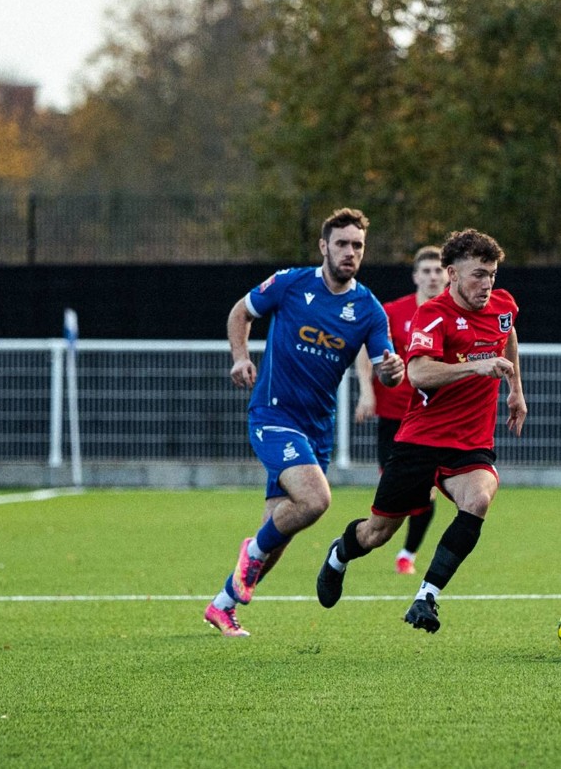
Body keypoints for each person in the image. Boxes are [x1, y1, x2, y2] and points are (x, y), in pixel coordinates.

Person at [204, 208, 405, 637]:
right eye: (342, 244)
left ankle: (223, 605)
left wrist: (393, 371)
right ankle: (250, 553)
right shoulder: (291, 283)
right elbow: (241, 312)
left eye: (358, 246)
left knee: (277, 531)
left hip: (318, 429)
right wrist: (241, 357)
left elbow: (385, 362)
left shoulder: (368, 309)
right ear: (323, 247)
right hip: (273, 415)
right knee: (315, 501)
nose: (350, 252)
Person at [316, 228, 526, 633]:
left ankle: (426, 596)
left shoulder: (503, 305)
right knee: (377, 533)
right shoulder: (433, 314)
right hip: (420, 441)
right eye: (478, 275)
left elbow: (508, 332)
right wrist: (477, 366)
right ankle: (339, 554)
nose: (488, 284)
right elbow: (418, 372)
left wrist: (515, 390)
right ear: (451, 273)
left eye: (493, 274)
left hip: (471, 443)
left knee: (478, 500)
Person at [353, 245, 446, 575]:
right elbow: (367, 351)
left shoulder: (455, 316)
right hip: (393, 417)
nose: (433, 276)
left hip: (431, 418)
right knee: (398, 492)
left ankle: (407, 553)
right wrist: (366, 392)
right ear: (416, 276)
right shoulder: (394, 312)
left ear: (448, 275)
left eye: (439, 270)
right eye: (427, 271)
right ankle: (371, 535)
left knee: (429, 490)